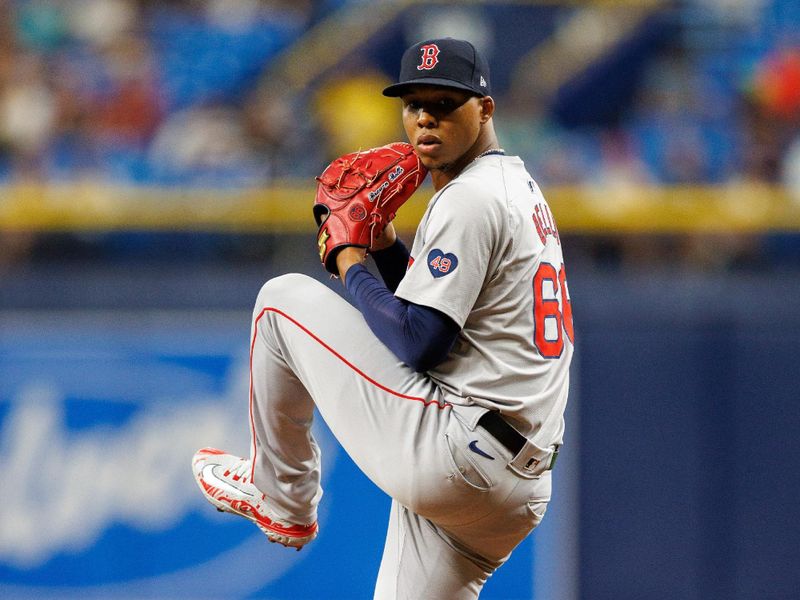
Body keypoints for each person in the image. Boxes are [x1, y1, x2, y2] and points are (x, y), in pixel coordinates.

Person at [192, 37, 575, 599]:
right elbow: (437, 314)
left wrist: (349, 258)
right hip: (516, 488)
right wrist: (384, 244)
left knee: (279, 302)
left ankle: (283, 497)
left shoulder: (469, 197)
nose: (425, 119)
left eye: (445, 104)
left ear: (485, 109)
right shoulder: (515, 186)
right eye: (414, 104)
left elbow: (421, 343)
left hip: (458, 450)